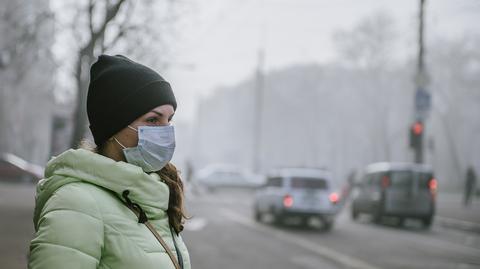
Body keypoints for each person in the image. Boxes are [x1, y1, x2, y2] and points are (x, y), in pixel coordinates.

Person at [28, 55, 190, 269]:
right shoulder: (77, 203)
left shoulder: (154, 195)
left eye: (169, 120)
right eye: (153, 119)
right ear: (113, 127)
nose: (166, 131)